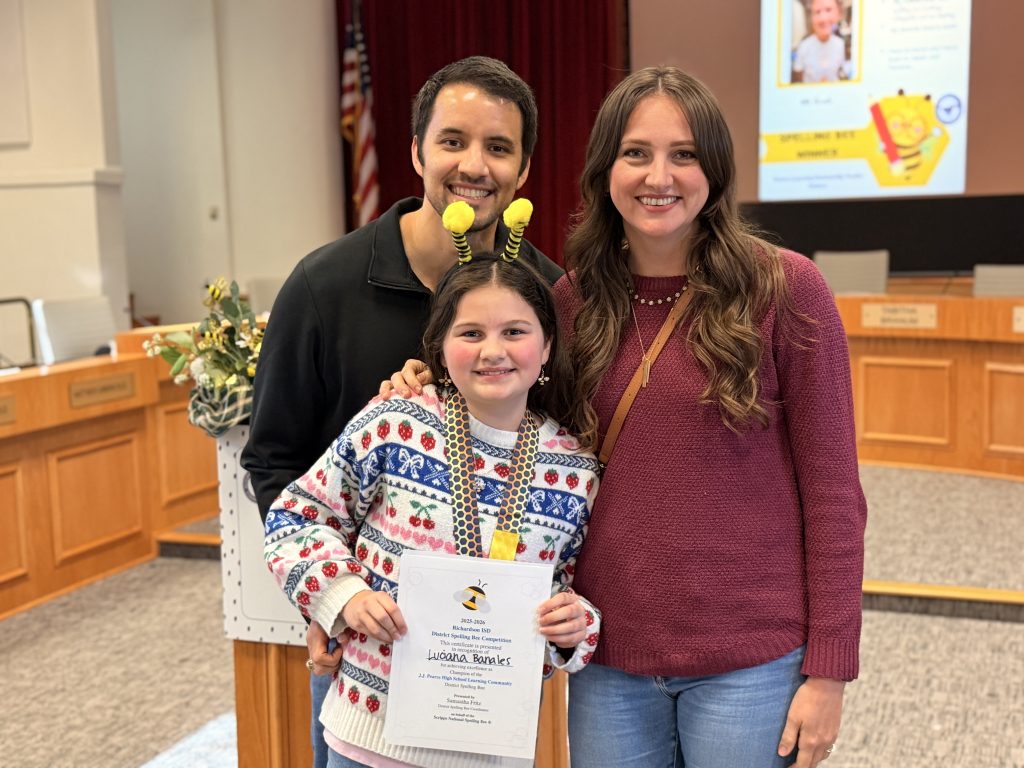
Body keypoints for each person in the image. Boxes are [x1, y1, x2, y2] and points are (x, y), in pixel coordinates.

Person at [389, 66, 866, 768]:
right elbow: (509, 442)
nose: (658, 176)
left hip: (750, 660)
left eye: (684, 154)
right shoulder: (567, 304)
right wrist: (427, 389)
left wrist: (829, 668)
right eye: (636, 153)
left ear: (716, 169)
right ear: (606, 168)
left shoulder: (787, 289)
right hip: (608, 659)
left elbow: (834, 495)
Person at [240, 56, 563, 767]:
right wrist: (326, 598)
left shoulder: (551, 299)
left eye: (498, 147)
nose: (473, 165)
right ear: (417, 151)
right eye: (452, 141)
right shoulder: (323, 286)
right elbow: (272, 460)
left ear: (525, 170)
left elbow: (562, 458)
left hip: (489, 672)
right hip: (369, 653)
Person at [264, 248, 602, 768]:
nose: (494, 350)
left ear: (548, 344)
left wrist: (573, 625)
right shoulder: (396, 425)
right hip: (372, 737)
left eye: (515, 331)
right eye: (470, 333)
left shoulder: (574, 470)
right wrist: (345, 595)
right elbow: (295, 517)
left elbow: (564, 589)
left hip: (491, 744)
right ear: (440, 348)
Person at [792, 0, 847, 83]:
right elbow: (797, 80)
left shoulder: (840, 44)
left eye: (828, 10)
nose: (823, 18)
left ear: (839, 13)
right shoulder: (804, 46)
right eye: (817, 12)